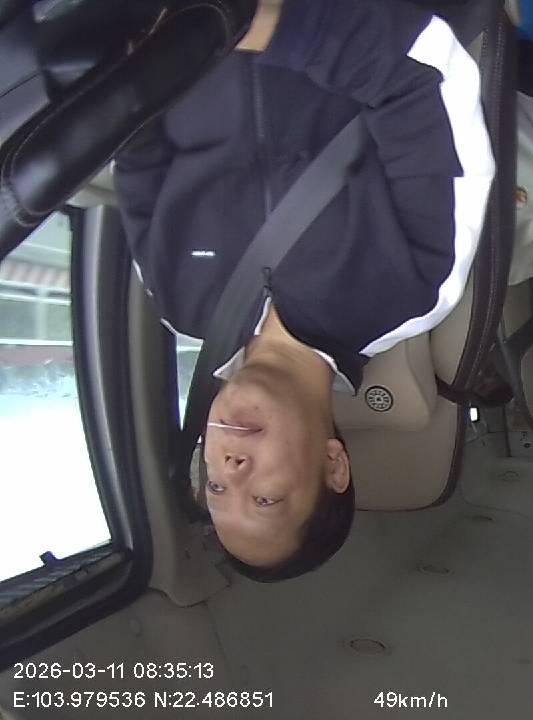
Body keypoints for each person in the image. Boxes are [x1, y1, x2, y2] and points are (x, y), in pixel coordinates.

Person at [114, 0, 493, 581]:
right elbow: (422, 74)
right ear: (334, 465)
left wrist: (144, 48)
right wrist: (258, 22)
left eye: (216, 485)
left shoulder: (177, 301)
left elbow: (135, 145)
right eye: (265, 497)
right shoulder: (417, 287)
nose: (231, 466)